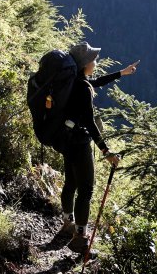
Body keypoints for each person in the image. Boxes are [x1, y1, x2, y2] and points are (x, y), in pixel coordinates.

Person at [56, 41, 139, 254]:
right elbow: (91, 123)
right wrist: (106, 151)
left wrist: (122, 73)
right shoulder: (82, 88)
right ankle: (80, 238)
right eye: (93, 59)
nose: (96, 61)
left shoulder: (74, 81)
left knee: (71, 182)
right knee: (86, 189)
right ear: (85, 64)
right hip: (80, 144)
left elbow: (96, 82)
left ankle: (67, 224)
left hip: (66, 140)